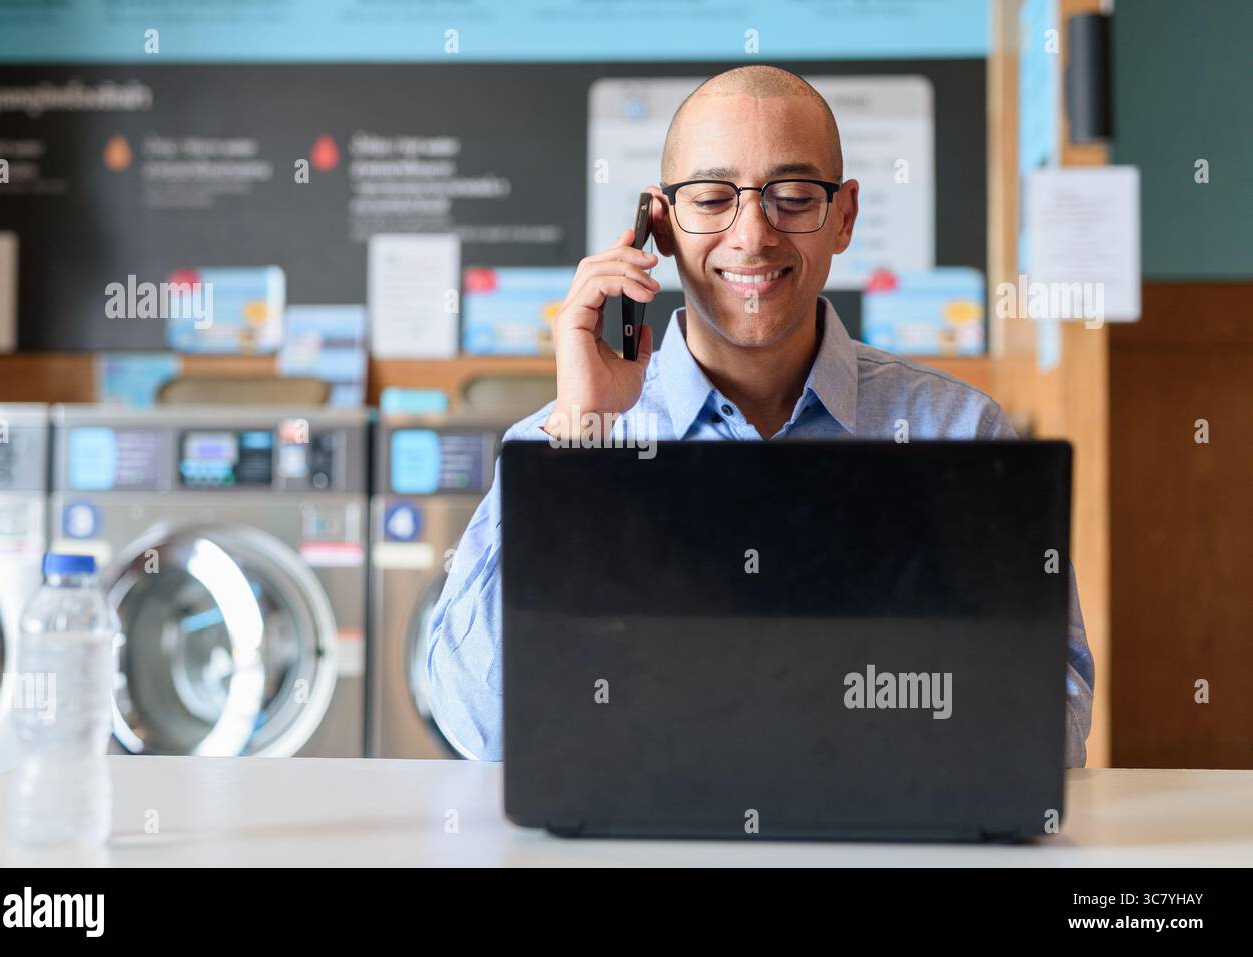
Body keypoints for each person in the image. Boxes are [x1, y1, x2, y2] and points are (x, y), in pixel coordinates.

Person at [426, 64, 1094, 766]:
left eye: (795, 197)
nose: (753, 235)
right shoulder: (563, 439)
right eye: (713, 198)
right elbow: (480, 721)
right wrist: (583, 438)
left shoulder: (958, 433)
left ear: (844, 218)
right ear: (658, 224)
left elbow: (1055, 714)